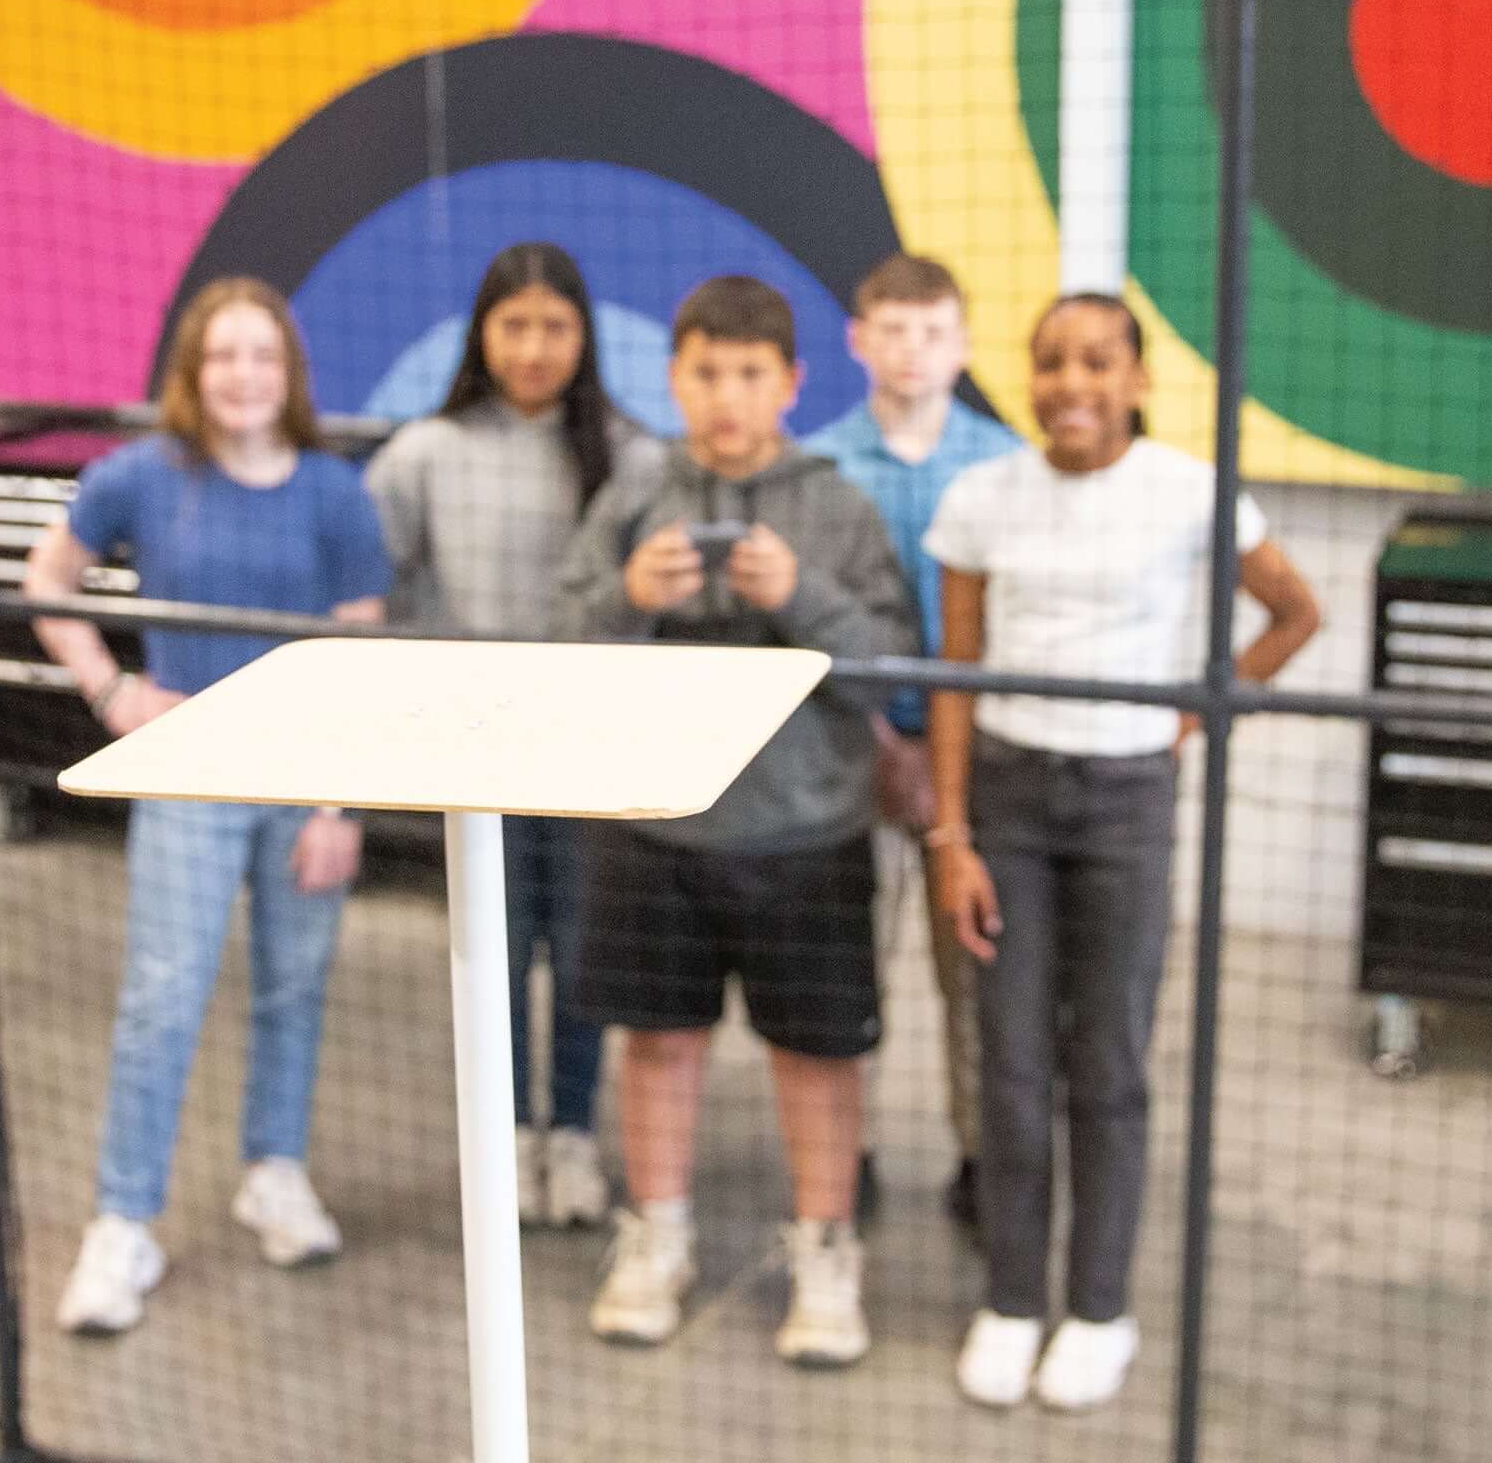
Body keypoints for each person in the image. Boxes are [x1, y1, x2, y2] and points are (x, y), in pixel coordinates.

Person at [924, 292, 1320, 1410]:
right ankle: (1009, 1298)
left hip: (1125, 806)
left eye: (1096, 361)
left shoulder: (1190, 492)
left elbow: (1294, 611)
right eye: (1048, 361)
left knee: (1107, 1063)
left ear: (1139, 378)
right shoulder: (981, 496)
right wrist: (950, 835)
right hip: (1003, 799)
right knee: (1006, 1063)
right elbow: (952, 672)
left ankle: (1097, 1306)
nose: (1069, 383)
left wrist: (1197, 710)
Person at [560, 275, 918, 1368]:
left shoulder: (837, 505)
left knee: (815, 1057)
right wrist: (630, 593)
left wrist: (800, 594)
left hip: (804, 835)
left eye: (750, 374)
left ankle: (823, 1254)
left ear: (792, 383)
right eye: (705, 373)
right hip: (652, 826)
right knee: (658, 1043)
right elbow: (555, 645)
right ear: (673, 377)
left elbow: (889, 672)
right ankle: (653, 1240)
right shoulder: (632, 492)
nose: (725, 396)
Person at [29, 277, 393, 1336]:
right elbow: (47, 575)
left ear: (289, 375)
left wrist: (339, 804)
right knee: (161, 993)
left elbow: (359, 653)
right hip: (188, 775)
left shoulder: (334, 494)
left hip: (302, 780)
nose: (243, 376)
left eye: (262, 356)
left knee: (294, 984)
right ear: (192, 372)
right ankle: (123, 1221)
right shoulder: (144, 475)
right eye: (223, 355)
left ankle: (273, 1170)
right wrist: (111, 689)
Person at [366, 241, 656, 1229]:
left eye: (555, 326)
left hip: (582, 756)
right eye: (514, 324)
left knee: (581, 952)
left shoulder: (630, 452)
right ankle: (503, 1139)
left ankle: (569, 1133)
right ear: (481, 333)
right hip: (472, 754)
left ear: (584, 337)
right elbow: (381, 588)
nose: (533, 347)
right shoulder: (424, 452)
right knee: (491, 949)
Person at [807, 252, 1018, 1230]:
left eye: (931, 330)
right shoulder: (816, 465)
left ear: (962, 344)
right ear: (856, 338)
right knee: (845, 966)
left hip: (963, 774)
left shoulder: (1003, 466)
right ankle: (841, 1157)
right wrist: (877, 743)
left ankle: (980, 1156)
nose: (909, 349)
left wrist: (946, 770)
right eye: (890, 328)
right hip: (846, 757)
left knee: (970, 977)